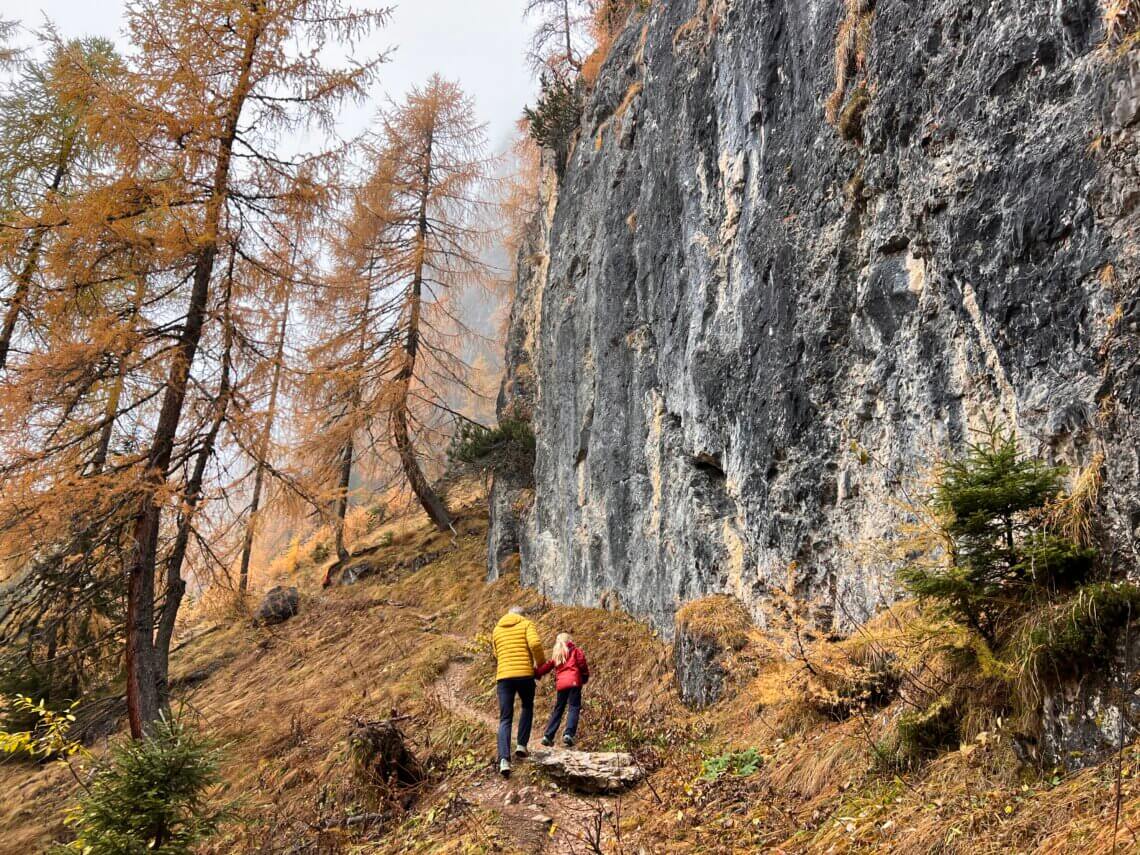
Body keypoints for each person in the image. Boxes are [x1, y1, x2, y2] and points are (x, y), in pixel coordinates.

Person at [491, 605, 546, 777]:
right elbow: (535, 644)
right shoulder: (526, 624)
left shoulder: (497, 629)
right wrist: (540, 664)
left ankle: (504, 760)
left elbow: (496, 653)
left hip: (504, 677)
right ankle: (521, 745)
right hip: (524, 675)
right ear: (523, 615)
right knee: (527, 706)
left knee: (505, 718)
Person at [536, 631, 590, 747]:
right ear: (569, 641)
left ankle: (548, 736)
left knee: (558, 709)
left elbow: (547, 666)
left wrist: (536, 673)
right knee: (573, 707)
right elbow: (582, 664)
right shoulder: (576, 651)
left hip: (561, 685)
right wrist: (585, 676)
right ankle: (568, 734)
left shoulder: (557, 654)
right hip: (574, 683)